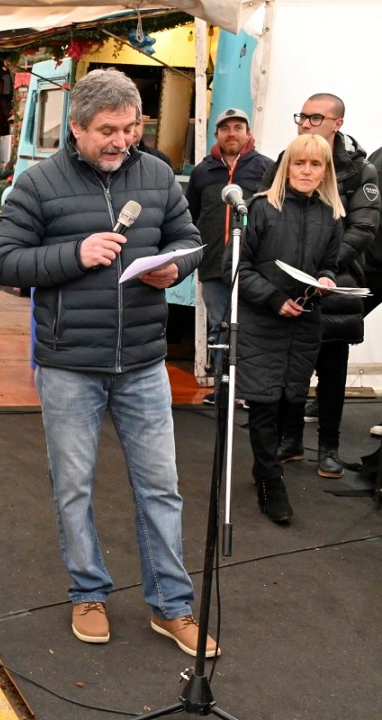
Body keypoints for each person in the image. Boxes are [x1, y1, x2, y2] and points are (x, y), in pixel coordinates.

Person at [0, 69, 217, 658]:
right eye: (108, 130)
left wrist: (175, 264)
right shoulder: (39, 183)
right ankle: (88, 593)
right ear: (77, 127)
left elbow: (189, 239)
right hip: (69, 363)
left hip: (143, 360)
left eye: (131, 128)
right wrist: (75, 253)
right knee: (74, 487)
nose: (121, 141)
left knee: (161, 488)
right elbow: (2, 263)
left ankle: (172, 606)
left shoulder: (157, 175)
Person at [262, 94, 380, 477]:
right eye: (302, 116)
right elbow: (264, 209)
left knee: (332, 369)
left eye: (315, 117)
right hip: (290, 281)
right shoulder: (286, 160)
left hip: (337, 283)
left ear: (337, 124)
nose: (305, 123)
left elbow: (364, 228)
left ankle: (329, 447)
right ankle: (291, 439)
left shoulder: (360, 171)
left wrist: (321, 265)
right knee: (291, 367)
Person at [231, 134, 342, 523]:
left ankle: (264, 468)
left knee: (287, 400)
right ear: (286, 167)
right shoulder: (260, 209)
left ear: (325, 171)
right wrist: (274, 299)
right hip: (262, 320)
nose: (306, 171)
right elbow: (236, 267)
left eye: (315, 164)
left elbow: (329, 264)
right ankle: (270, 485)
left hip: (304, 321)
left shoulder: (331, 215)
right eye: (299, 163)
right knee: (263, 403)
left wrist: (326, 281)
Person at [185, 106, 274, 400]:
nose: (231, 133)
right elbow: (190, 216)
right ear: (216, 134)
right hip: (213, 265)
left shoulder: (266, 168)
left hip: (253, 267)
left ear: (249, 133)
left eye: (238, 127)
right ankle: (223, 390)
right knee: (219, 328)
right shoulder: (202, 172)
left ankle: (251, 391)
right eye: (225, 128)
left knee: (251, 329)